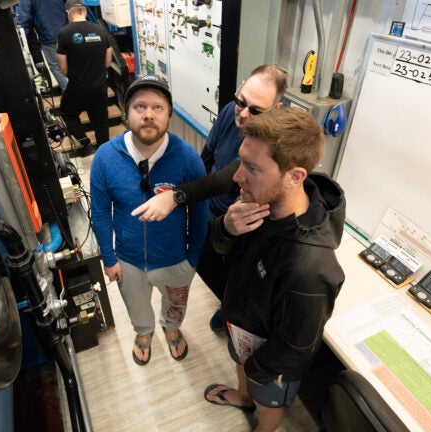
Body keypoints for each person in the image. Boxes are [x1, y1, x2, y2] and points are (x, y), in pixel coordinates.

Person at [202, 107, 346, 432]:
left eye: (252, 168)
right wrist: (226, 227)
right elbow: (219, 250)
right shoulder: (260, 202)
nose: (238, 177)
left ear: (294, 176)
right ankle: (243, 397)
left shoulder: (309, 267)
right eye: (241, 162)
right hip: (241, 325)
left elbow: (295, 348)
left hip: (268, 361)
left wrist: (257, 367)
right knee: (244, 375)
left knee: (268, 403)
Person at [136, 65, 287, 334]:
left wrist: (178, 196)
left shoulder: (272, 141)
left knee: (229, 277)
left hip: (238, 221)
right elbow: (207, 158)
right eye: (242, 101)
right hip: (208, 208)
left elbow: (228, 176)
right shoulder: (232, 112)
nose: (243, 113)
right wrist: (187, 202)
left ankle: (229, 308)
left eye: (255, 110)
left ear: (276, 109)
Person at [90, 75, 208, 366]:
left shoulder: (187, 157)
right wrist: (109, 257)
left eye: (158, 108)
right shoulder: (105, 157)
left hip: (175, 259)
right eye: (140, 106)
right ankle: (144, 333)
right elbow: (101, 211)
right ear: (126, 112)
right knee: (136, 306)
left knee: (176, 303)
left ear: (169, 115)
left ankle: (171, 327)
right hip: (127, 260)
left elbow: (201, 211)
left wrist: (192, 258)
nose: (148, 114)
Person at [56, 0, 112, 157]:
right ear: (85, 12)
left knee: (67, 113)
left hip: (78, 87)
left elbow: (62, 67)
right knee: (100, 121)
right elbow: (107, 62)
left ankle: (85, 143)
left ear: (69, 14)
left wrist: (77, 75)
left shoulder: (64, 34)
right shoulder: (101, 31)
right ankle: (105, 152)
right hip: (100, 86)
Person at [16, 0, 69, 92]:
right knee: (72, 63)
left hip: (48, 33)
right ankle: (79, 91)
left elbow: (24, 17)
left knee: (55, 66)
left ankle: (69, 93)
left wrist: (20, 38)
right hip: (66, 30)